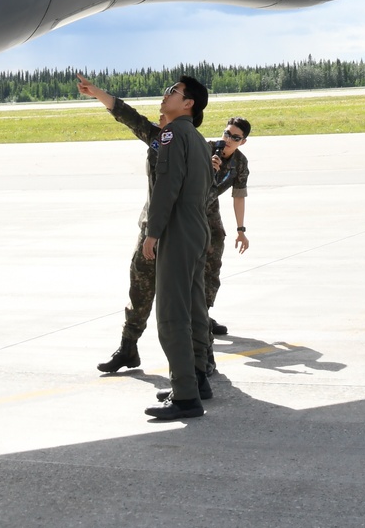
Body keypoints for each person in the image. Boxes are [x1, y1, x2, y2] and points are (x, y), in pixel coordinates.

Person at [77, 73, 213, 418]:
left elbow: (167, 188)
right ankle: (197, 380)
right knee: (196, 310)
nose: (166, 95)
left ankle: (185, 396)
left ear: (188, 104)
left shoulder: (170, 135)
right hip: (198, 230)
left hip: (177, 232)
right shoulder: (197, 139)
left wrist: (153, 233)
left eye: (174, 92)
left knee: (171, 315)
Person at [207, 117, 251, 338]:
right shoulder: (205, 149)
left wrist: (241, 230)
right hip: (186, 207)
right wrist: (207, 168)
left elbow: (239, 196)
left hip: (209, 208)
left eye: (235, 137)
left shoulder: (240, 163)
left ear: (242, 142)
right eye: (227, 134)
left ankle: (203, 315)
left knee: (214, 258)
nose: (228, 140)